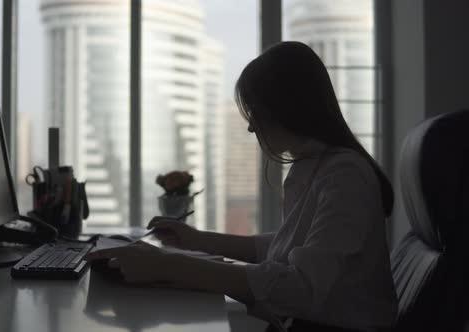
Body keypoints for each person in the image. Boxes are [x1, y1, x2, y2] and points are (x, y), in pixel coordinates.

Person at [85, 41, 398, 332]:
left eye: (255, 113)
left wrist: (168, 266)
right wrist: (198, 240)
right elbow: (284, 248)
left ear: (286, 107)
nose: (251, 126)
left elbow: (300, 289)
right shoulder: (313, 167)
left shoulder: (344, 176)